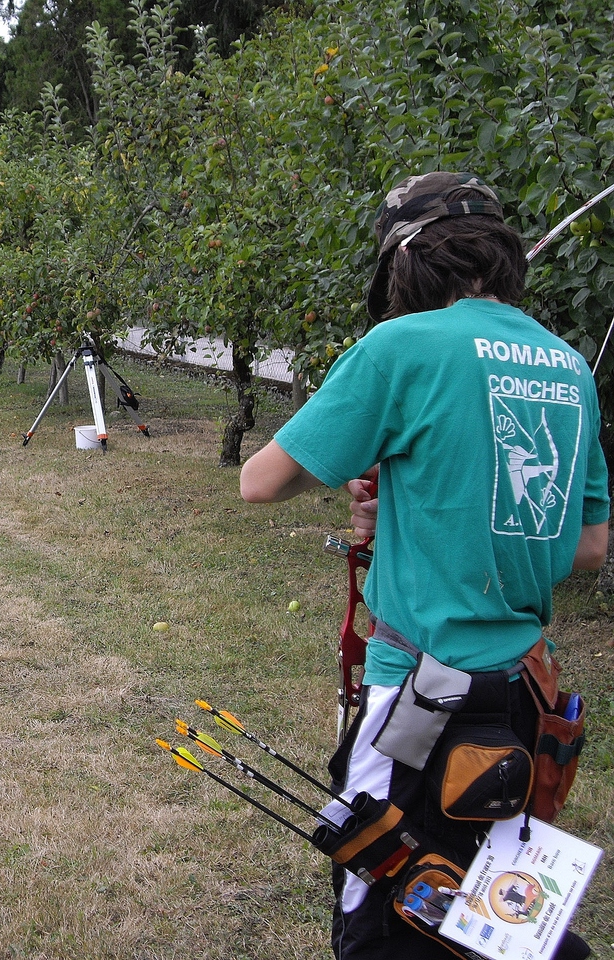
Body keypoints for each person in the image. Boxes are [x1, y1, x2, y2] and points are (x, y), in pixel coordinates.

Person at [239, 172, 609, 958]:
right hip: (523, 697)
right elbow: (586, 547)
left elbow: (260, 481)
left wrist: (372, 460)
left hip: (418, 699)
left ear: (405, 264)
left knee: (381, 901)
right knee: (485, 913)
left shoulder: (400, 347)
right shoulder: (568, 366)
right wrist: (412, 499)